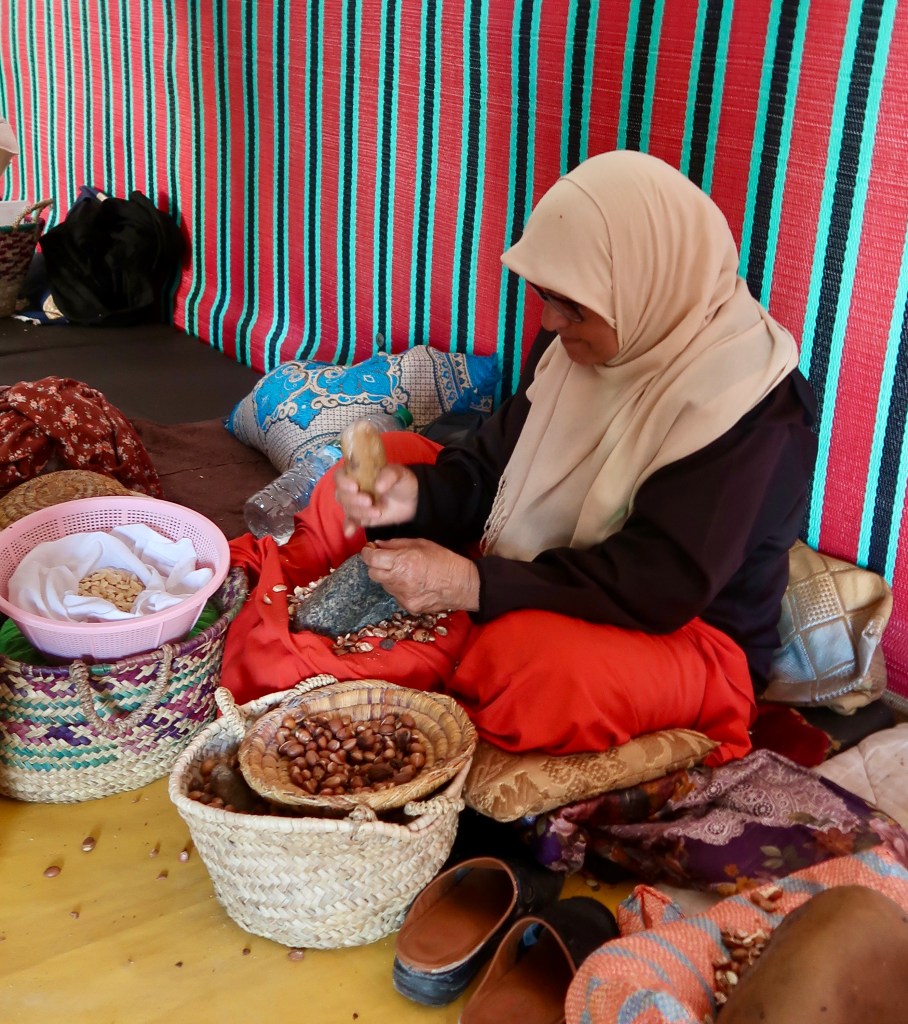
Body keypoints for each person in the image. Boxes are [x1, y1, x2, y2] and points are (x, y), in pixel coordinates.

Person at [223, 150, 817, 766]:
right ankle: (414, 623)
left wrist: (472, 583)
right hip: (553, 568)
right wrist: (416, 497)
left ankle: (452, 650)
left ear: (647, 289)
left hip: (681, 631)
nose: (549, 321)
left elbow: (658, 585)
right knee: (386, 463)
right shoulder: (579, 338)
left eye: (573, 307)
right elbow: (491, 468)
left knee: (529, 668)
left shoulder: (754, 411)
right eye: (544, 296)